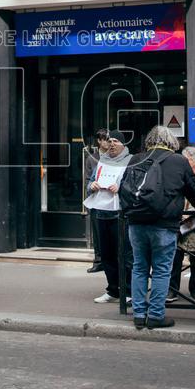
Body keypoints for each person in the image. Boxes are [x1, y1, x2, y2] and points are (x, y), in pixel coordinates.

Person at [121, 126, 195, 330]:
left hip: (136, 222)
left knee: (139, 267)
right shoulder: (178, 161)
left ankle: (139, 314)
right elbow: (194, 190)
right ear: (172, 142)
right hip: (164, 224)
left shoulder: (135, 159)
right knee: (161, 270)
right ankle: (156, 315)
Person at [85, 130, 132, 304]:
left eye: (115, 141)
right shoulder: (101, 162)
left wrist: (121, 187)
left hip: (121, 214)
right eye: (109, 141)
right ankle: (113, 289)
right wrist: (93, 185)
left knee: (124, 254)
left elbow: (134, 185)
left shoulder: (130, 162)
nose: (111, 144)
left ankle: (128, 291)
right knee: (106, 254)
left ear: (123, 145)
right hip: (101, 212)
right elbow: (89, 182)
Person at [168, 146, 195, 304]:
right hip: (178, 223)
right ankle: (172, 290)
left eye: (186, 159)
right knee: (175, 258)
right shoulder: (177, 176)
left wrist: (186, 220)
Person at [84, 129, 110, 273]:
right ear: (99, 141)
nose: (108, 142)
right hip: (96, 199)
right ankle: (98, 260)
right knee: (97, 232)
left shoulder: (115, 157)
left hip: (109, 199)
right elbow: (87, 180)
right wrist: (91, 187)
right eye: (105, 139)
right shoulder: (91, 159)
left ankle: (110, 261)